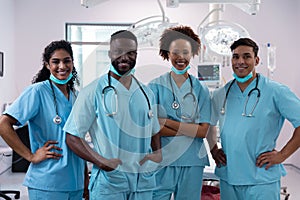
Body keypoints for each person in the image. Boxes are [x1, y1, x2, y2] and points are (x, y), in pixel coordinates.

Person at [63, 30, 162, 200]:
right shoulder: (93, 91)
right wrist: (100, 161)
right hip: (111, 182)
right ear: (110, 54)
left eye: (130, 53)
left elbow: (154, 128)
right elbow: (72, 137)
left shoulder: (146, 93)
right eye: (118, 52)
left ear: (136, 54)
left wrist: (158, 153)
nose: (124, 57)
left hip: (142, 182)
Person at [208, 37, 300, 200]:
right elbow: (207, 124)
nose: (240, 61)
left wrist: (282, 155)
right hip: (229, 177)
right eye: (236, 57)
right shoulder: (222, 93)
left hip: (261, 179)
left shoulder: (275, 91)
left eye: (246, 56)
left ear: (256, 60)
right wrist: (214, 149)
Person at [0, 40, 87, 200]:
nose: (62, 66)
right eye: (56, 61)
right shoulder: (37, 92)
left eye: (67, 61)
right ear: (47, 65)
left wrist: (85, 182)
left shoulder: (77, 96)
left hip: (76, 184)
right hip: (48, 182)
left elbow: (78, 141)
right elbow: (3, 124)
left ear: (73, 63)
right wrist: (31, 156)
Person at [148, 25, 211, 200]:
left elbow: (202, 131)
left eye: (186, 51)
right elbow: (153, 128)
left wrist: (166, 122)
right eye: (175, 52)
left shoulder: (201, 89)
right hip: (163, 160)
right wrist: (190, 129)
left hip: (192, 162)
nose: (180, 57)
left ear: (192, 54)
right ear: (167, 53)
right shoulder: (154, 86)